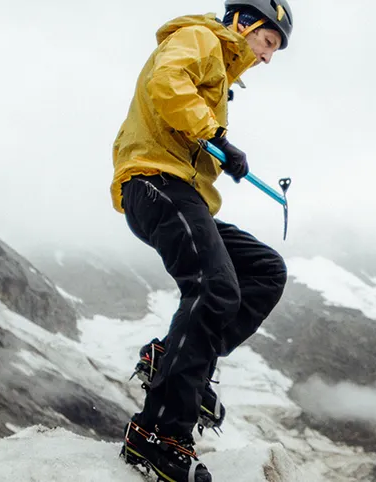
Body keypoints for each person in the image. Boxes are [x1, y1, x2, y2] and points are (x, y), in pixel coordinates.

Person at [109, 1, 292, 480]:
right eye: (268, 42)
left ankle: (175, 360)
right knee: (214, 288)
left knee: (265, 271)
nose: (268, 57)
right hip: (154, 181)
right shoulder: (199, 38)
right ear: (245, 23)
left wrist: (220, 145)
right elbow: (168, 83)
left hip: (184, 193)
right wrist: (218, 137)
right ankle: (159, 435)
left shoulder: (220, 68)